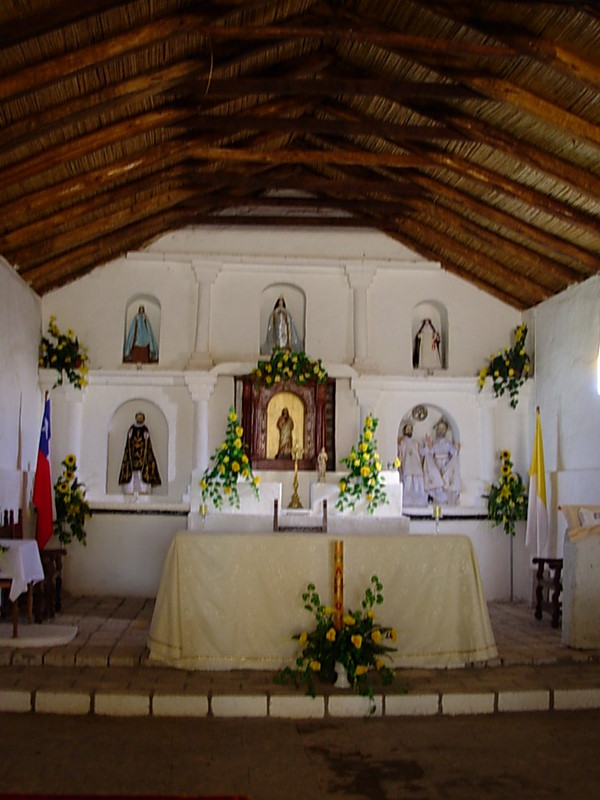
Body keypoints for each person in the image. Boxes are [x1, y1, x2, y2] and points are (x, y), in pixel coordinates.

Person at [118, 412, 161, 494]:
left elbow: (147, 442)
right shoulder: (132, 429)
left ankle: (143, 490)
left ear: (143, 419)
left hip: (142, 455)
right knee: (132, 471)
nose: (139, 419)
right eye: (138, 417)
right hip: (132, 455)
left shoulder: (145, 429)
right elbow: (129, 441)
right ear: (136, 418)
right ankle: (130, 489)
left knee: (142, 472)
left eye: (141, 418)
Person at [397, 423, 426, 506]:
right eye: (407, 429)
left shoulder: (415, 443)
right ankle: (406, 500)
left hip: (416, 465)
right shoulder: (402, 442)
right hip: (407, 465)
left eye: (410, 429)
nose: (409, 431)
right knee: (408, 483)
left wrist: (428, 446)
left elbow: (422, 452)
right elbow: (400, 452)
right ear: (404, 431)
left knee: (418, 483)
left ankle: (419, 500)